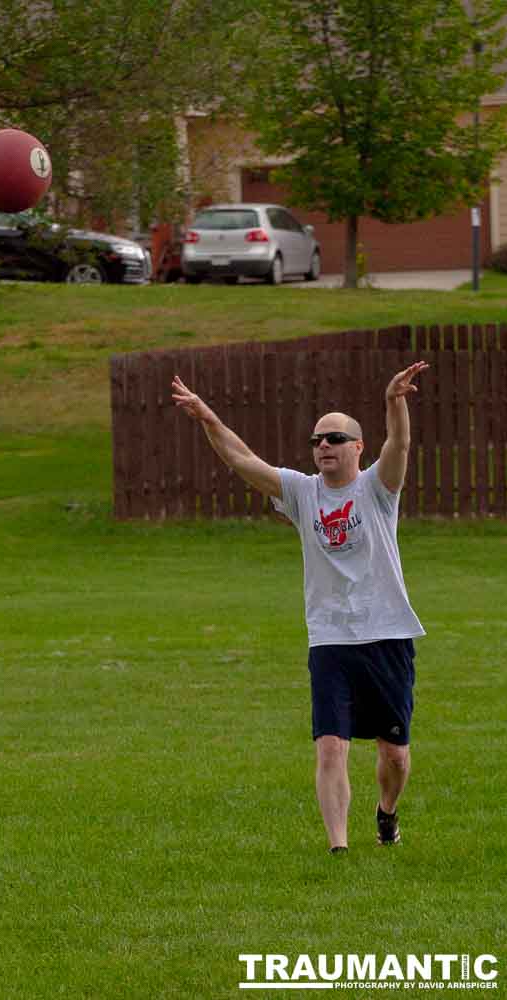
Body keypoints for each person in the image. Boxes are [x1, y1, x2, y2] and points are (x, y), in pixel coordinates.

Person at [171, 363, 428, 854]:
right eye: (316, 440)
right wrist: (207, 416)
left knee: (395, 756)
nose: (323, 446)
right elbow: (242, 459)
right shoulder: (302, 491)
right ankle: (339, 849)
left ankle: (387, 813)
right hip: (329, 637)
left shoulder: (377, 488)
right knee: (331, 745)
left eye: (335, 437)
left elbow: (400, 447)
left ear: (357, 448)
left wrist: (395, 402)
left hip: (387, 632)